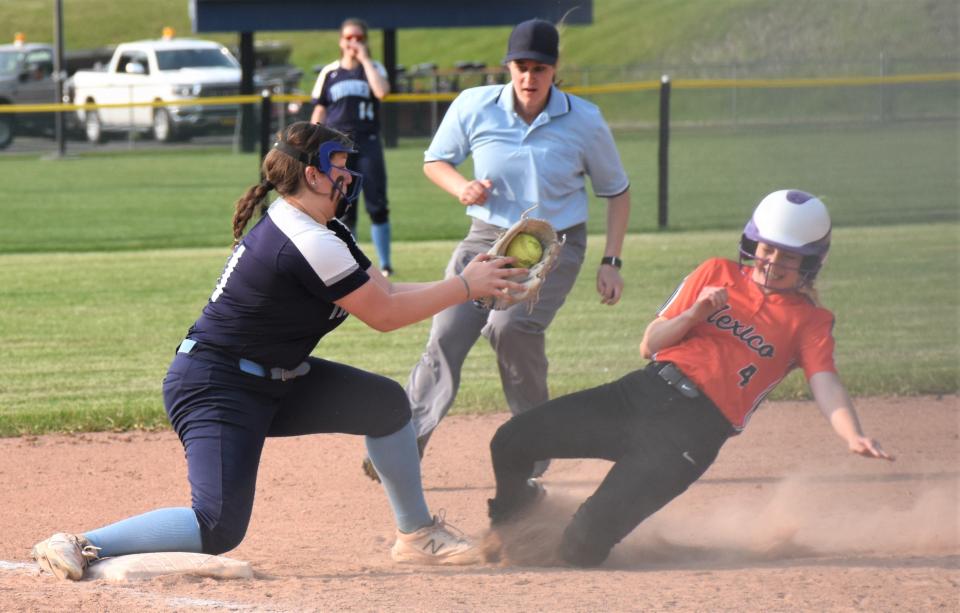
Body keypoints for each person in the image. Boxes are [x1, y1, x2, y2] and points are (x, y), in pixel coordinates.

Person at [30, 121, 527, 581]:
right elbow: (385, 317)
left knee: (386, 405)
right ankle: (81, 541)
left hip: (274, 378)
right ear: (311, 174)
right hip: (216, 384)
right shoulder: (307, 239)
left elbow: (388, 294)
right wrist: (464, 285)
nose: (348, 177)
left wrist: (472, 282)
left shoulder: (325, 230)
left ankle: (418, 536)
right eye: (338, 168)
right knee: (218, 525)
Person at [484, 189, 895, 567]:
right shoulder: (716, 273)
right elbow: (650, 344)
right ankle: (513, 520)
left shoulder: (809, 320)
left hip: (689, 438)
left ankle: (594, 537)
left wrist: (851, 434)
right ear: (753, 244)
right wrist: (695, 313)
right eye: (768, 249)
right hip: (639, 395)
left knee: (580, 549)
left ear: (810, 263)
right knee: (511, 442)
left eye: (789, 257)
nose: (773, 263)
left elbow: (825, 380)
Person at [361, 18, 631, 483]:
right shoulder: (475, 105)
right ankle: (403, 443)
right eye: (521, 66)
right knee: (446, 331)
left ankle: (533, 446)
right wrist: (462, 187)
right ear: (508, 66)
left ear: (555, 68)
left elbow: (617, 192)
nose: (529, 78)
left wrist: (611, 261)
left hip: (554, 245)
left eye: (540, 68)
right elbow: (435, 161)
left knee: (510, 327)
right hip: (485, 239)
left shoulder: (584, 120)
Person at [310, 18, 394, 275]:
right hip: (338, 147)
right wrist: (312, 139)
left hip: (367, 143)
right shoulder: (330, 72)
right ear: (341, 41)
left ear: (365, 41)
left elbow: (382, 92)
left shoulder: (374, 68)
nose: (353, 43)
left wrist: (366, 60)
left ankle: (386, 264)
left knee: (377, 202)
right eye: (349, 38)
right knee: (342, 204)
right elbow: (320, 108)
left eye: (359, 38)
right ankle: (349, 261)